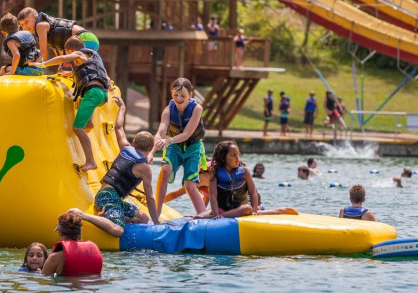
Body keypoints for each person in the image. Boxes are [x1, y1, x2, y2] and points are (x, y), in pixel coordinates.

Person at [68, 97, 159, 237]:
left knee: (143, 219)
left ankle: (107, 217)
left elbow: (118, 127)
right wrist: (157, 223)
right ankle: (82, 215)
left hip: (110, 196)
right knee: (118, 231)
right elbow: (150, 197)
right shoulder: (145, 168)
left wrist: (122, 107)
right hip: (108, 197)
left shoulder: (125, 147)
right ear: (152, 147)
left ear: (134, 143)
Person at [33, 36, 110, 172]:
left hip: (92, 93)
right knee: (86, 122)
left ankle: (91, 161)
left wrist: (42, 64)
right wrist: (67, 74)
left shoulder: (77, 53)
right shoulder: (90, 55)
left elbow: (63, 59)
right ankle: (89, 123)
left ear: (69, 50)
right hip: (101, 94)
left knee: (77, 128)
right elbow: (85, 72)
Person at [196, 141, 297, 219]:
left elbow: (253, 193)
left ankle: (280, 211)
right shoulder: (215, 173)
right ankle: (217, 215)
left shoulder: (244, 171)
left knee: (248, 209)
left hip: (242, 209)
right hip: (221, 209)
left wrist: (254, 210)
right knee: (196, 217)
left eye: (238, 154)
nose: (237, 157)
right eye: (233, 155)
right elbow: (213, 196)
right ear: (223, 158)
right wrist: (216, 213)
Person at [154, 78, 208, 215]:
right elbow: (161, 130)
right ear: (172, 93)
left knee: (190, 185)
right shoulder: (168, 110)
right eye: (176, 95)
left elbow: (186, 134)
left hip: (193, 146)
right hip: (174, 146)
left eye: (183, 96)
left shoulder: (197, 109)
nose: (179, 99)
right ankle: (156, 212)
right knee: (165, 170)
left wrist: (167, 141)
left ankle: (203, 216)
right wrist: (153, 147)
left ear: (190, 95)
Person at [17, 7, 99, 60]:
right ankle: (107, 80)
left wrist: (37, 66)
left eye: (26, 22)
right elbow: (59, 52)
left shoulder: (40, 26)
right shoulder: (49, 31)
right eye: (22, 24)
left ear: (35, 18)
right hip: (91, 39)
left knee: (80, 65)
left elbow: (43, 53)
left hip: (84, 38)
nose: (24, 27)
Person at [42, 211, 103, 276]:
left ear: (61, 233)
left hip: (66, 285)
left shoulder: (56, 257)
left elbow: (44, 280)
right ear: (79, 234)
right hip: (93, 285)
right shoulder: (94, 252)